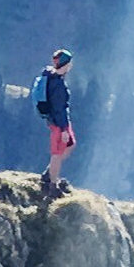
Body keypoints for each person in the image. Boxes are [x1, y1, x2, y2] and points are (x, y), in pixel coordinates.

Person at [36, 50, 76, 198]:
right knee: (57, 153)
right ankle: (52, 186)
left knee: (70, 145)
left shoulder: (51, 76)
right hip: (58, 123)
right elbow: (59, 108)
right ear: (66, 64)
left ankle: (49, 173)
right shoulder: (57, 84)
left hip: (58, 120)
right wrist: (64, 129)